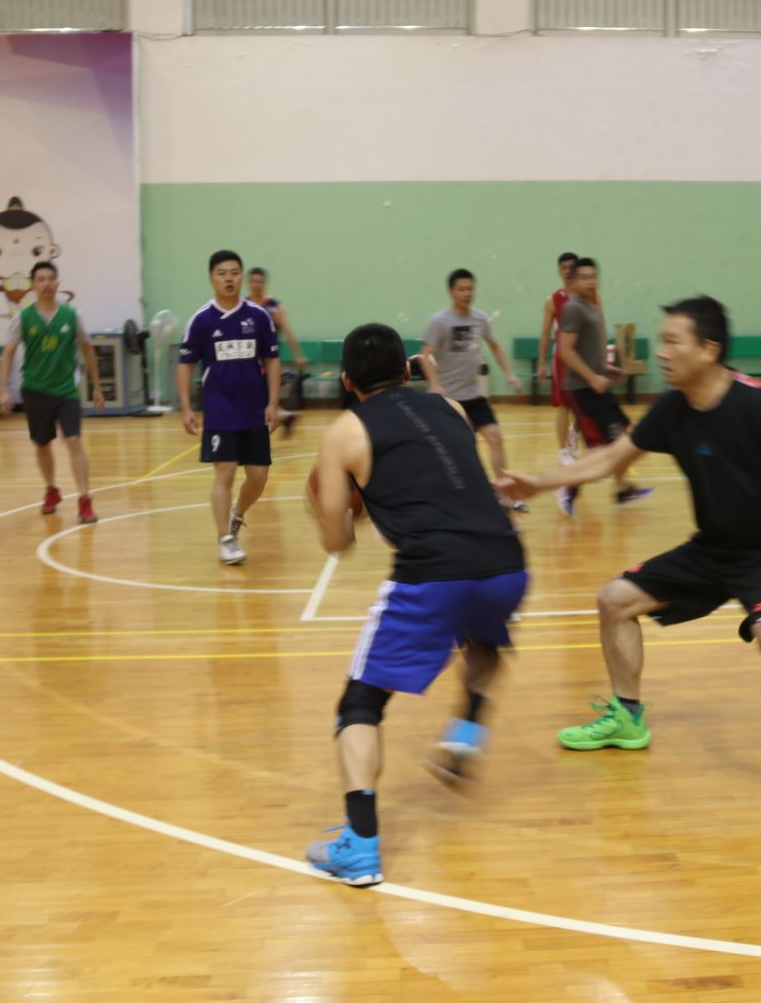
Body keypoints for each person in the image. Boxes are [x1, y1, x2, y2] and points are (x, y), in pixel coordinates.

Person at [502, 296, 761, 822]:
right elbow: (611, 459)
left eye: (672, 341)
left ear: (709, 349)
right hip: (711, 547)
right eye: (662, 341)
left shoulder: (758, 403)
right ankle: (627, 718)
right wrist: (540, 483)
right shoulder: (672, 408)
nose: (661, 352)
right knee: (614, 600)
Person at [304, 323, 530, 887]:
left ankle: (359, 847)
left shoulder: (343, 433)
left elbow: (337, 544)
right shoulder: (451, 408)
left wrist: (334, 509)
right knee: (484, 640)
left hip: (434, 573)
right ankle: (467, 730)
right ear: (407, 371)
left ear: (347, 381)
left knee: (359, 704)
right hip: (507, 561)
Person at [177, 250, 281, 566]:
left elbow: (272, 360)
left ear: (241, 276)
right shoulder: (201, 320)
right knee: (224, 472)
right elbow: (185, 364)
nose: (229, 279)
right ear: (212, 278)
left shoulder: (258, 317)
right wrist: (186, 407)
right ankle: (225, 539)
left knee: (259, 476)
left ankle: (237, 513)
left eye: (234, 272)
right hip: (220, 409)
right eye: (222, 273)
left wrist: (273, 402)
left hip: (254, 408)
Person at [0, 260, 102, 523]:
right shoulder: (22, 318)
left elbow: (87, 348)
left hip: (66, 390)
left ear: (57, 283)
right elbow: (7, 353)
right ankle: (51, 489)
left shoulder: (72, 315)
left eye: (50, 278)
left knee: (74, 440)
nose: (46, 283)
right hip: (35, 390)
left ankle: (85, 500)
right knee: (42, 444)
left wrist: (97, 387)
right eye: (41, 279)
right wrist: (3, 390)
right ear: (33, 286)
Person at [421, 269, 528, 512]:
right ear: (451, 292)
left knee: (495, 437)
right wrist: (435, 384)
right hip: (449, 400)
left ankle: (505, 493)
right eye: (461, 289)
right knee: (455, 451)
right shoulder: (440, 321)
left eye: (470, 288)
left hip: (474, 396)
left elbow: (496, 347)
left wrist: (510, 374)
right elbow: (425, 356)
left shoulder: (480, 319)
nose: (467, 293)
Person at [556, 256, 650, 515]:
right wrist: (591, 377)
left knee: (621, 438)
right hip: (582, 390)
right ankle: (568, 486)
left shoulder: (593, 306)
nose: (590, 281)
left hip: (598, 386)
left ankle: (622, 489)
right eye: (583, 277)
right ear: (574, 281)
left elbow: (589, 350)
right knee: (600, 448)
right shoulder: (573, 309)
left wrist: (607, 369)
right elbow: (565, 351)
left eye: (593, 276)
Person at [247, 266, 308, 437]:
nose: (256, 285)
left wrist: (298, 355)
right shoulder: (244, 305)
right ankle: (285, 417)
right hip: (248, 360)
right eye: (253, 281)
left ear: (265, 283)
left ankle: (277, 420)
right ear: (248, 283)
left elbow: (288, 331)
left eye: (260, 282)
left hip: (268, 361)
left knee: (259, 396)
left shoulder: (274, 307)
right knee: (258, 397)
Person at [537, 251, 580, 456]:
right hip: (563, 357)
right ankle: (563, 452)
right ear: (559, 271)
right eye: (564, 268)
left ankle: (574, 432)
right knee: (564, 405)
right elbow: (545, 334)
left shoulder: (590, 295)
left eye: (572, 267)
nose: (568, 271)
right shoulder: (553, 300)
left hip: (586, 356)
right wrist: (541, 363)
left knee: (585, 405)